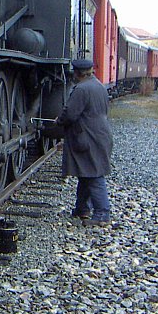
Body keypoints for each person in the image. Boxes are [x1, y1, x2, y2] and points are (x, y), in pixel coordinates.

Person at [56, 58, 114, 226]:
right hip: (100, 134)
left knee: (94, 176)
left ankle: (102, 214)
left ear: (77, 73)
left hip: (89, 137)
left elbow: (71, 114)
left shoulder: (81, 89)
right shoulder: (99, 86)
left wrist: (58, 121)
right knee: (86, 173)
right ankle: (82, 209)